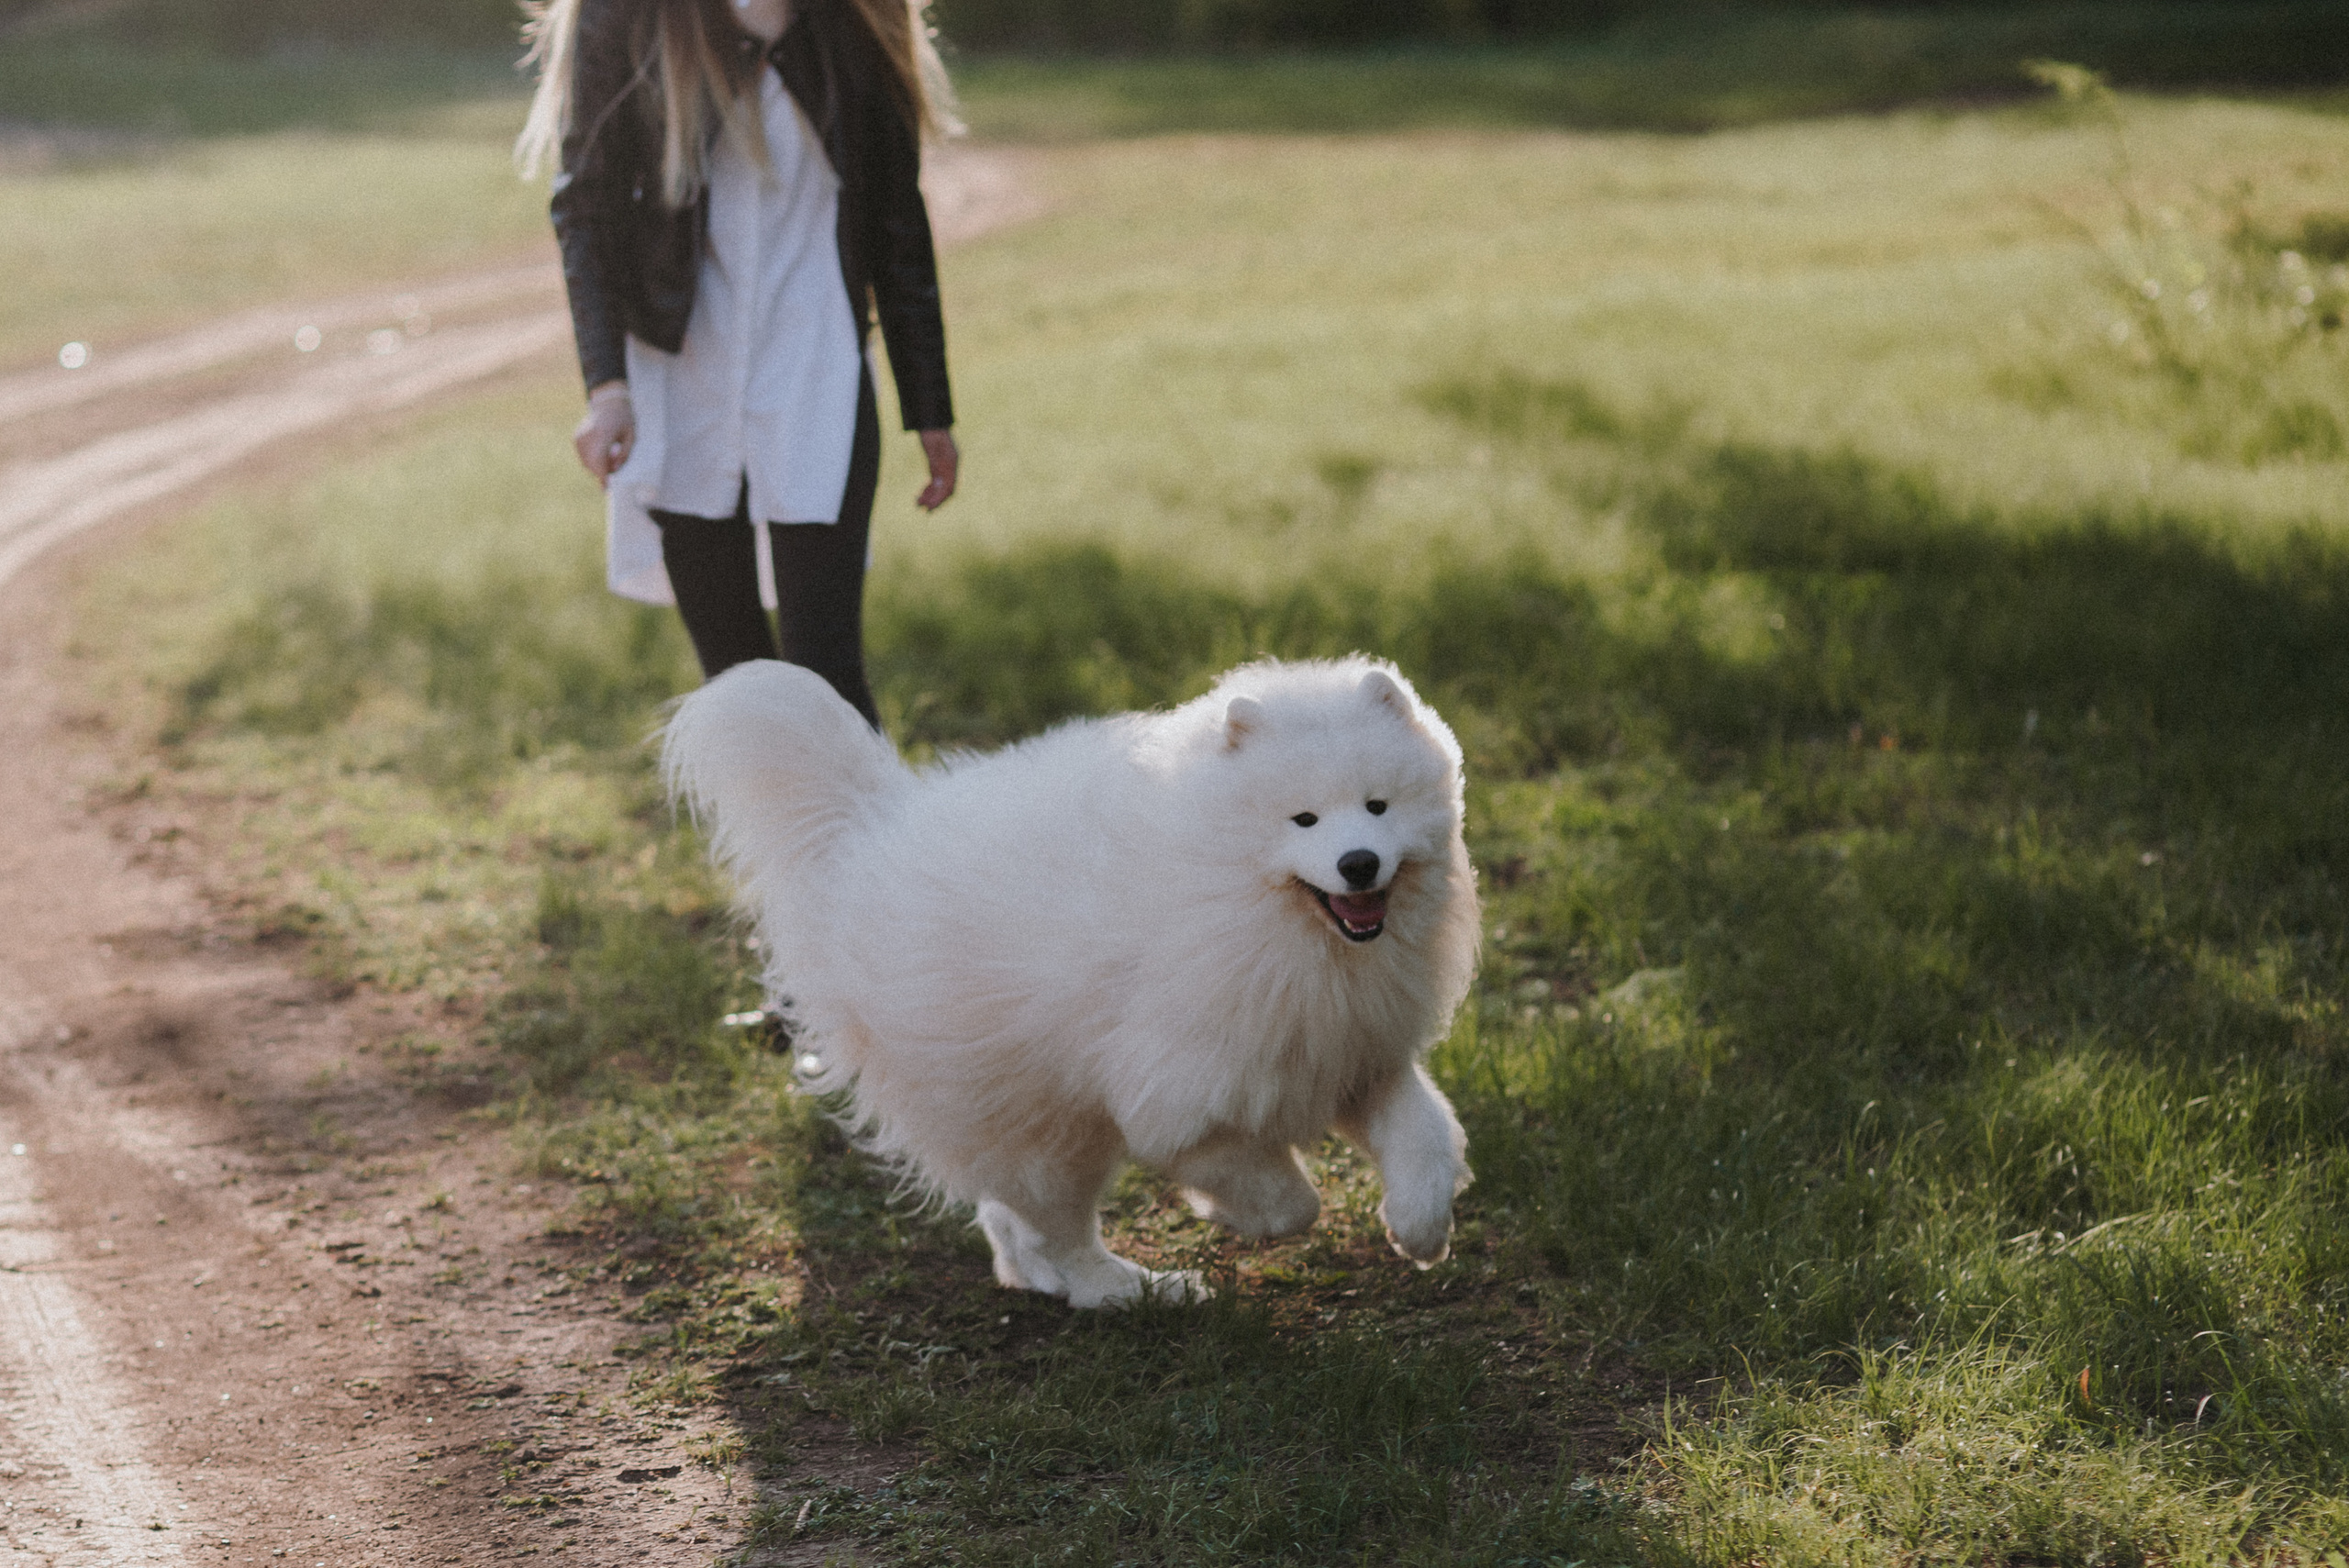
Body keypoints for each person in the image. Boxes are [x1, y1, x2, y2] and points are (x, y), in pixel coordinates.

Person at [517, 0, 960, 722]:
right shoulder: (629, 17)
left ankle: (871, 841)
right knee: (739, 695)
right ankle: (771, 840)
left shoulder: (856, 19)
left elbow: (896, 221)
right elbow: (584, 206)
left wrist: (928, 406)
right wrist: (608, 389)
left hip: (817, 375)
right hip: (680, 380)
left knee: (829, 689)